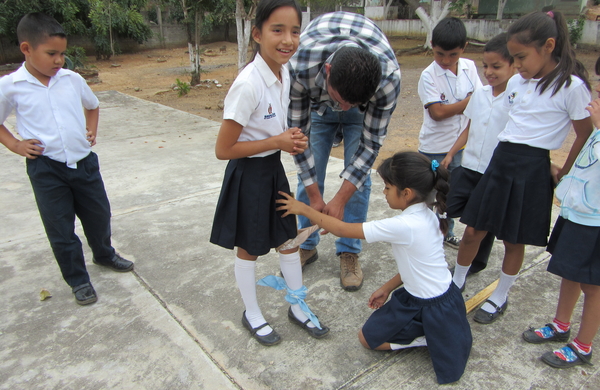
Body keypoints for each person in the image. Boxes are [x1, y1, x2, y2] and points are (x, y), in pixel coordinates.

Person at [277, 152, 472, 384]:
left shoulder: (404, 225)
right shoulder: (427, 215)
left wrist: (305, 210)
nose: (384, 192)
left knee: (367, 340)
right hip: (438, 297)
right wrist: (387, 287)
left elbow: (342, 229)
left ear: (407, 193)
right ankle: (434, 334)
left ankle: (428, 338)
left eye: (387, 187)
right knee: (369, 335)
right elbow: (419, 267)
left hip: (430, 306)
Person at [455, 10, 593, 324]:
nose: (517, 66)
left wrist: (565, 172)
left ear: (548, 46)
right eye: (514, 59)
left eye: (521, 57)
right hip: (501, 160)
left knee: (512, 239)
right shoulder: (518, 80)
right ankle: (456, 282)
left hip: (532, 166)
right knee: (474, 229)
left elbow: (585, 135)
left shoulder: (571, 87)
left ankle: (500, 295)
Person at [209, 0, 329, 346]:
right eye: (278, 30)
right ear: (258, 34)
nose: (288, 39)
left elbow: (274, 127)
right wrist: (275, 140)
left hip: (272, 170)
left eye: (294, 31)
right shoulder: (248, 84)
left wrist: (285, 140)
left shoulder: (283, 71)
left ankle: (296, 304)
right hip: (247, 174)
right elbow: (223, 150)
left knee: (287, 240)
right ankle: (252, 312)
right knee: (249, 248)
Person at [0, 13, 134, 306]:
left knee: (99, 216)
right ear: (26, 49)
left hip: (84, 164)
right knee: (61, 229)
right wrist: (15, 144)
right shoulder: (11, 86)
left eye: (62, 53)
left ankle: (104, 254)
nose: (59, 60)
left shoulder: (72, 80)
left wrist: (91, 131)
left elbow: (93, 106)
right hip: (46, 169)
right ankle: (78, 280)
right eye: (51, 54)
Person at [288, 11, 401, 291]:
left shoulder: (387, 82)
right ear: (327, 72)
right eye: (342, 100)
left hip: (358, 108)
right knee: (310, 178)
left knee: (358, 184)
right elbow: (297, 139)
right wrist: (316, 197)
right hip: (319, 106)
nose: (346, 108)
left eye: (355, 102)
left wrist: (339, 200)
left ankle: (349, 250)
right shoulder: (300, 66)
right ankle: (307, 243)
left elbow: (370, 146)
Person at [521, 56, 600, 369]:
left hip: (595, 222)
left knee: (593, 285)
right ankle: (561, 324)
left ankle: (583, 346)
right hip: (578, 214)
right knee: (570, 273)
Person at [442, 33, 515, 288]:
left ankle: (470, 267)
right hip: (470, 166)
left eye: (496, 66)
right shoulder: (480, 94)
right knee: (446, 206)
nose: (489, 72)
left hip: (494, 172)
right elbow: (469, 128)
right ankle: (461, 256)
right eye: (485, 66)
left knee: (477, 227)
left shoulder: (517, 99)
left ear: (514, 65)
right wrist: (451, 153)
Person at [417, 17, 483, 250]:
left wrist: (470, 103)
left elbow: (480, 103)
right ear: (432, 45)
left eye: (452, 55)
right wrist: (470, 102)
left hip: (461, 146)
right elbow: (437, 112)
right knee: (429, 195)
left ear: (463, 48)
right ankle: (426, 235)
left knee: (451, 194)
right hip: (434, 148)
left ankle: (447, 233)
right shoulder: (428, 75)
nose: (445, 61)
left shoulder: (470, 68)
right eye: (439, 54)